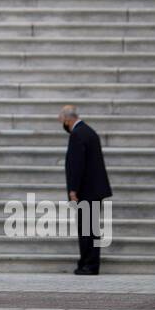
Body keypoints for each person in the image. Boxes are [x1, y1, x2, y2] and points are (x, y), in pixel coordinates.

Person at [59, 105, 112, 276]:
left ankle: (88, 264)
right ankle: (91, 263)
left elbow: (76, 165)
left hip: (86, 191)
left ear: (68, 119)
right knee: (92, 229)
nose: (62, 123)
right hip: (95, 190)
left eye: (62, 119)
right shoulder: (89, 132)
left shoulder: (77, 135)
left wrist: (73, 190)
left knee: (86, 229)